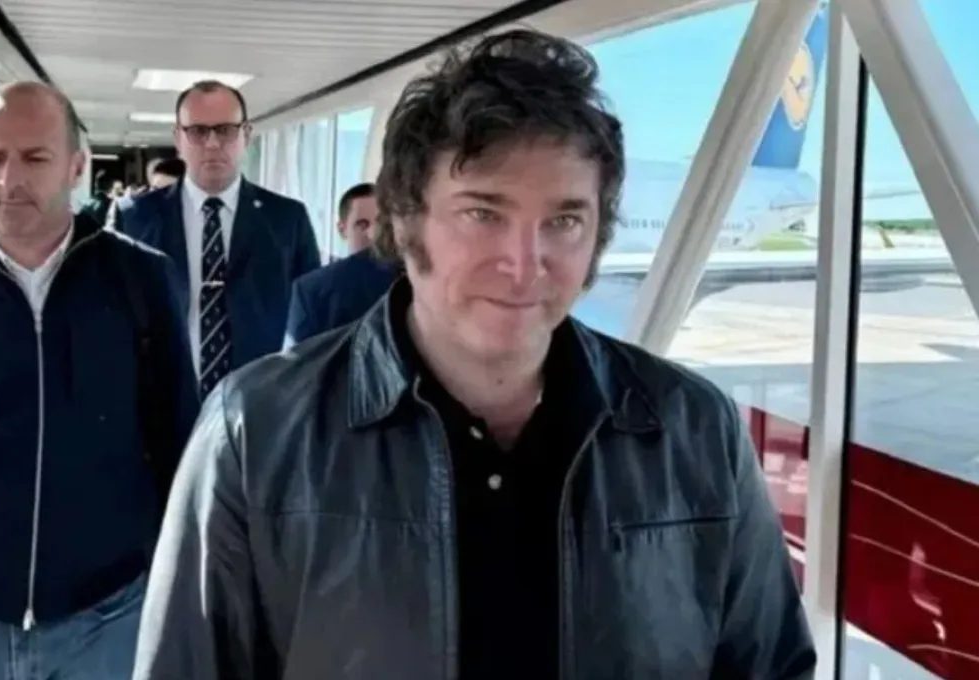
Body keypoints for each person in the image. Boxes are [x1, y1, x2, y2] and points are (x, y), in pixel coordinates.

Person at [133, 30, 816, 680]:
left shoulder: (696, 432)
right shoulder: (256, 433)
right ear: (405, 221)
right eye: (483, 214)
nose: (524, 264)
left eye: (563, 220)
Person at [0, 82, 198, 678]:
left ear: (77, 167)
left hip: (106, 611)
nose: (8, 180)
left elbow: (177, 435)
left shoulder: (139, 279)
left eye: (34, 158)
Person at [119, 80, 321, 400]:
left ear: (246, 135)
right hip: (161, 403)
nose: (212, 144)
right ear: (178, 138)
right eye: (198, 131)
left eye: (225, 130)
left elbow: (311, 324)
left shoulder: (287, 219)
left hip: (260, 402)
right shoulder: (135, 218)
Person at [284, 182, 400, 344]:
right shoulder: (312, 290)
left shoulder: (311, 288)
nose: (373, 234)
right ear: (342, 229)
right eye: (362, 225)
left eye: (381, 223)